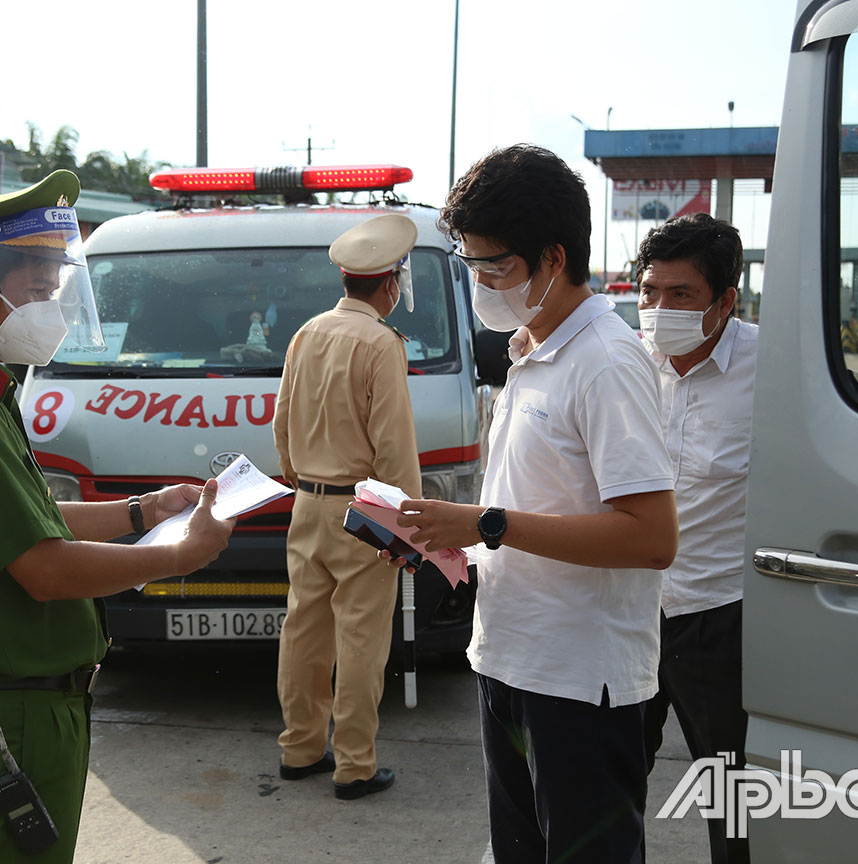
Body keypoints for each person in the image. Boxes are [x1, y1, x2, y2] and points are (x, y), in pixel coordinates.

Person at [0, 169, 234, 863]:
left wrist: (142, 511)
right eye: (38, 292)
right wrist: (175, 557)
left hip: (23, 705)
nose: (51, 310)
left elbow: (37, 518)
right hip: (8, 711)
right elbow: (42, 568)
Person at [393, 145, 678, 862]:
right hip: (511, 660)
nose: (482, 283)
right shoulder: (532, 349)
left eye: (496, 267)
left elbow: (649, 537)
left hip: (582, 685)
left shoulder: (606, 363)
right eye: (471, 265)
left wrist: (489, 524)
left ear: (553, 258)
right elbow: (537, 505)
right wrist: (458, 540)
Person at [272, 213, 422, 800]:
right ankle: (354, 765)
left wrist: (300, 477)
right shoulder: (382, 343)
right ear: (391, 283)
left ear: (345, 277)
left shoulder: (306, 333)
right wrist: (408, 521)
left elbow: (282, 422)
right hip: (363, 511)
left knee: (303, 629)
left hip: (306, 503)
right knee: (360, 637)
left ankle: (299, 747)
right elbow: (394, 446)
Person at [635, 213, 755, 864]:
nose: (658, 310)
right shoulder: (626, 364)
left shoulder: (770, 372)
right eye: (649, 292)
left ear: (724, 301)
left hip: (720, 620)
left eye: (680, 295)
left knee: (734, 801)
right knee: (609, 784)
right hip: (629, 612)